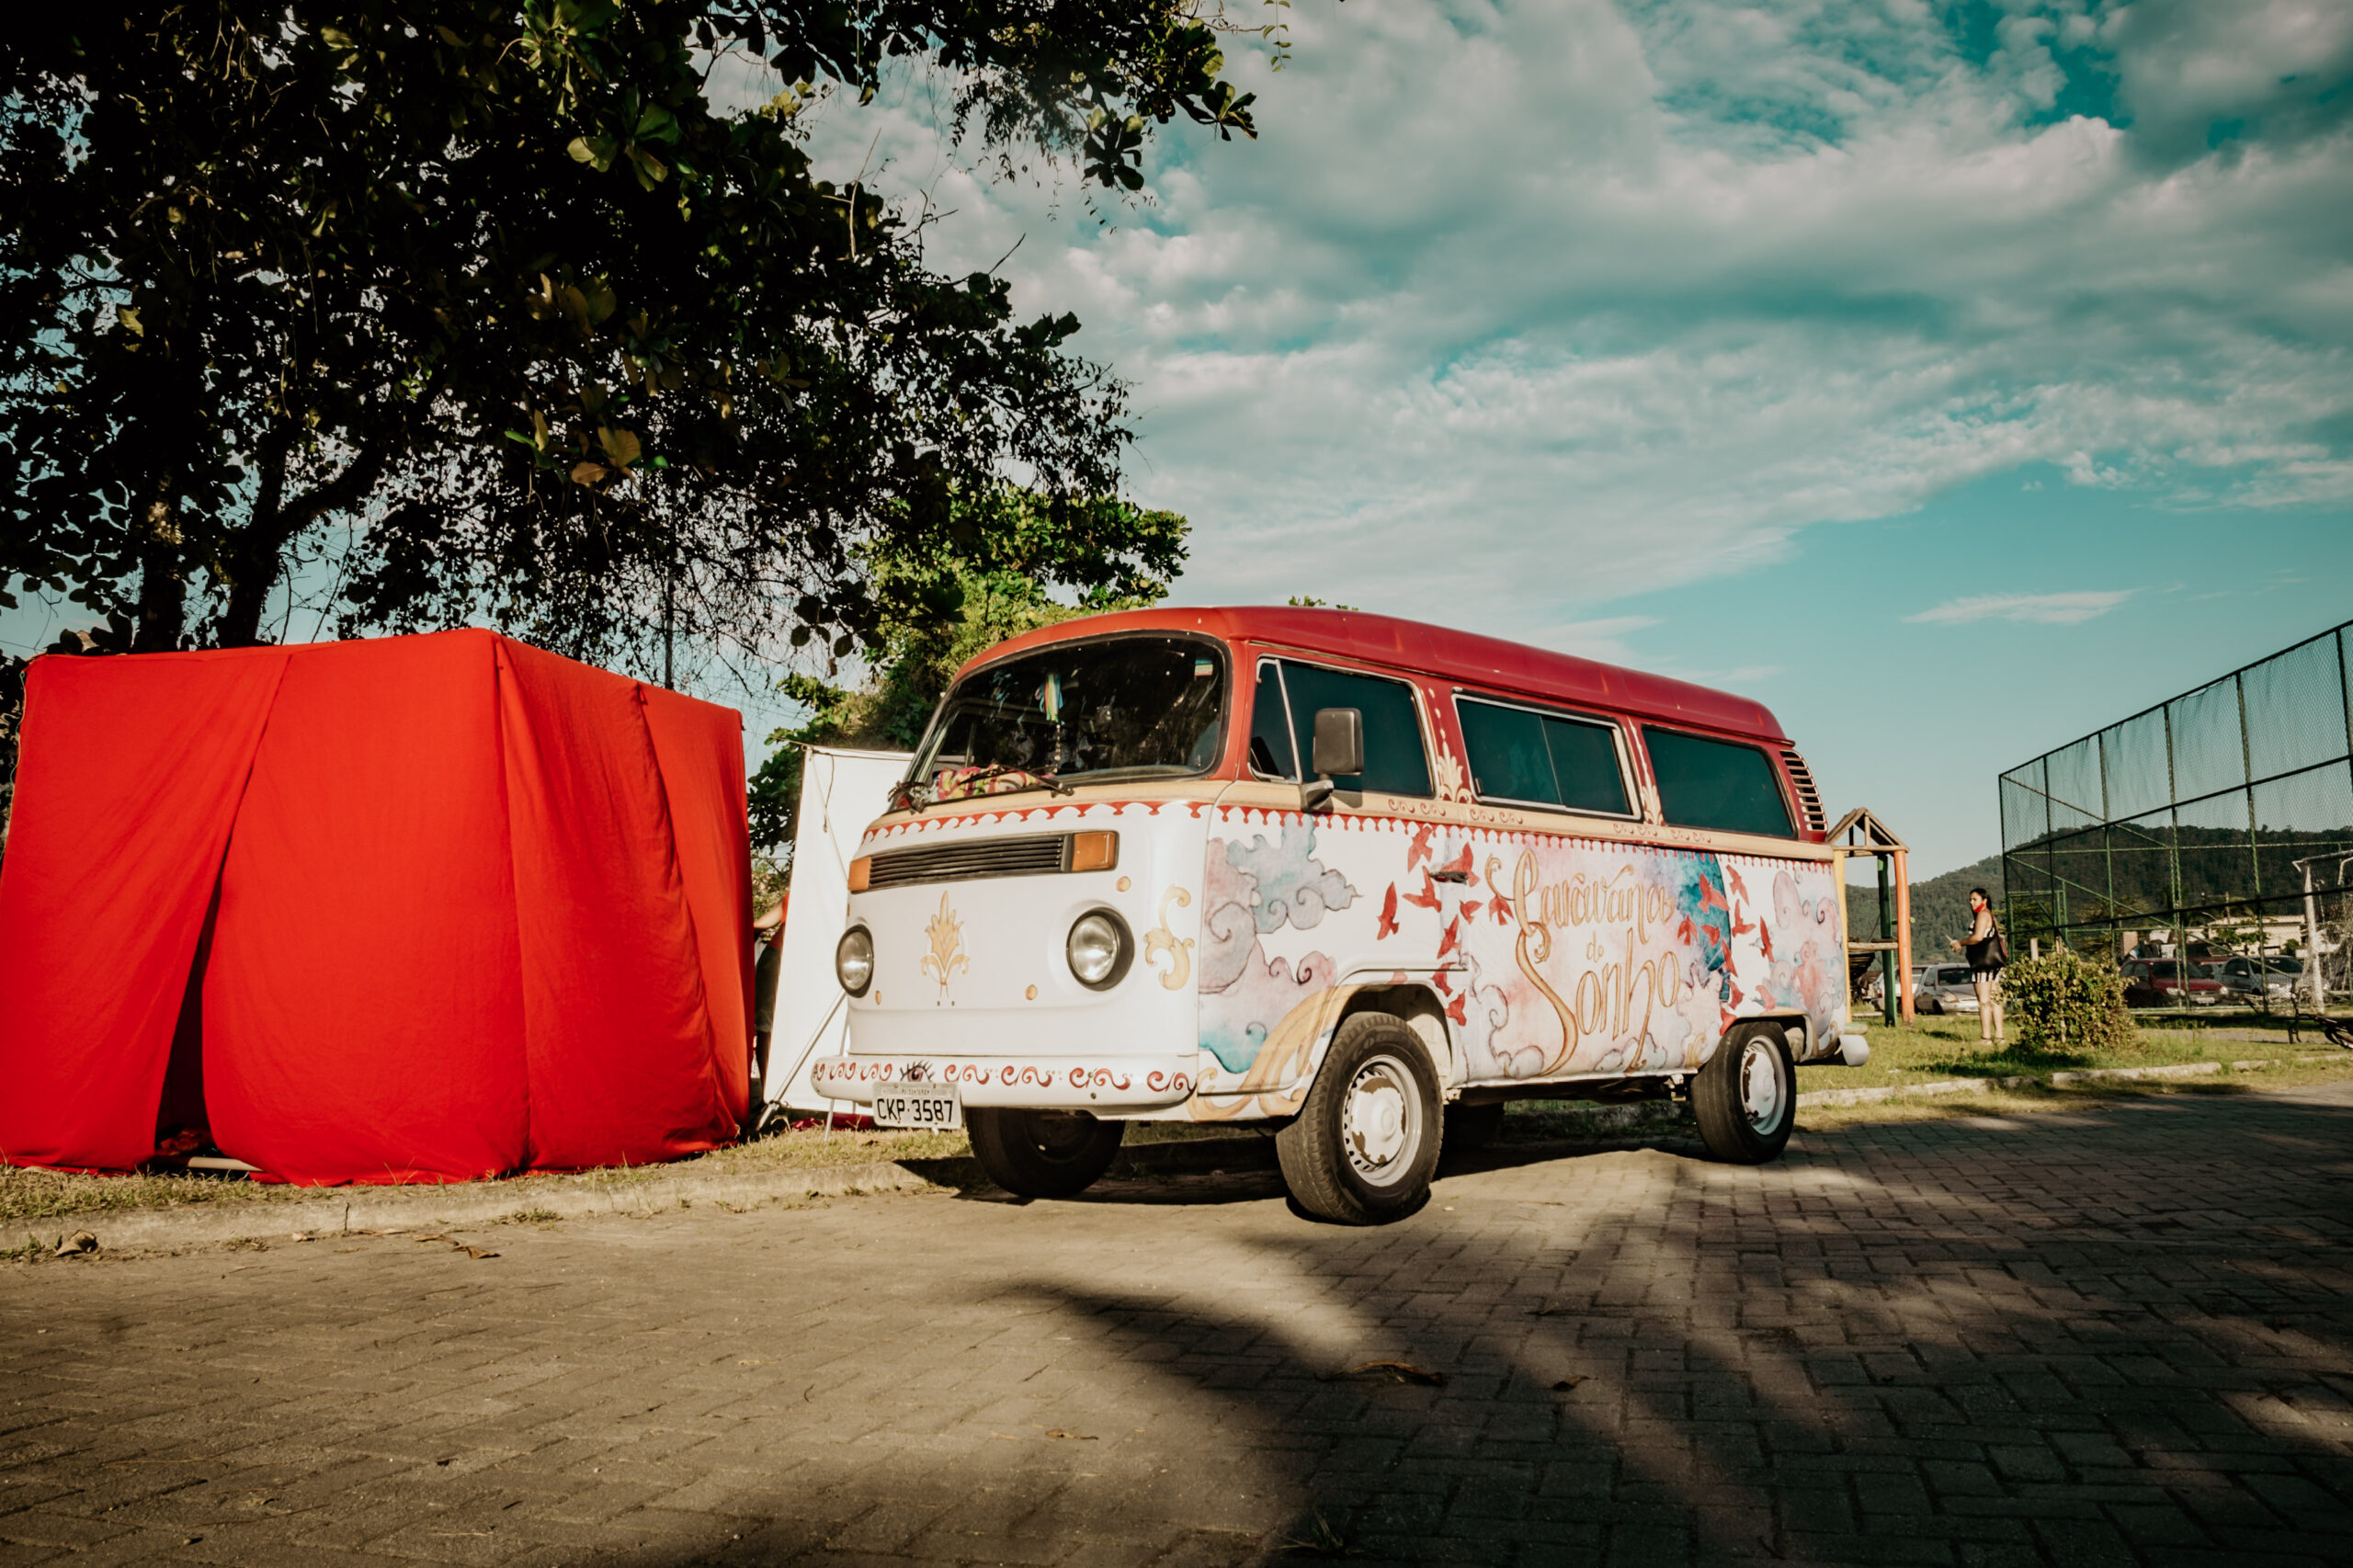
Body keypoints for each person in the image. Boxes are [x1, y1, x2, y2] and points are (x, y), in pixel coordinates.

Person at [1949, 887, 2006, 1047]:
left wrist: (1960, 942)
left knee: (1984, 1001)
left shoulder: (1982, 915)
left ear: (1984, 900)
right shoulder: (1991, 916)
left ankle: (1986, 1037)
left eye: (1975, 899)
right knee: (1995, 1000)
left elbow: (1978, 937)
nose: (1971, 902)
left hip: (1982, 964)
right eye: (1970, 899)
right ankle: (1999, 1037)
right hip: (1994, 964)